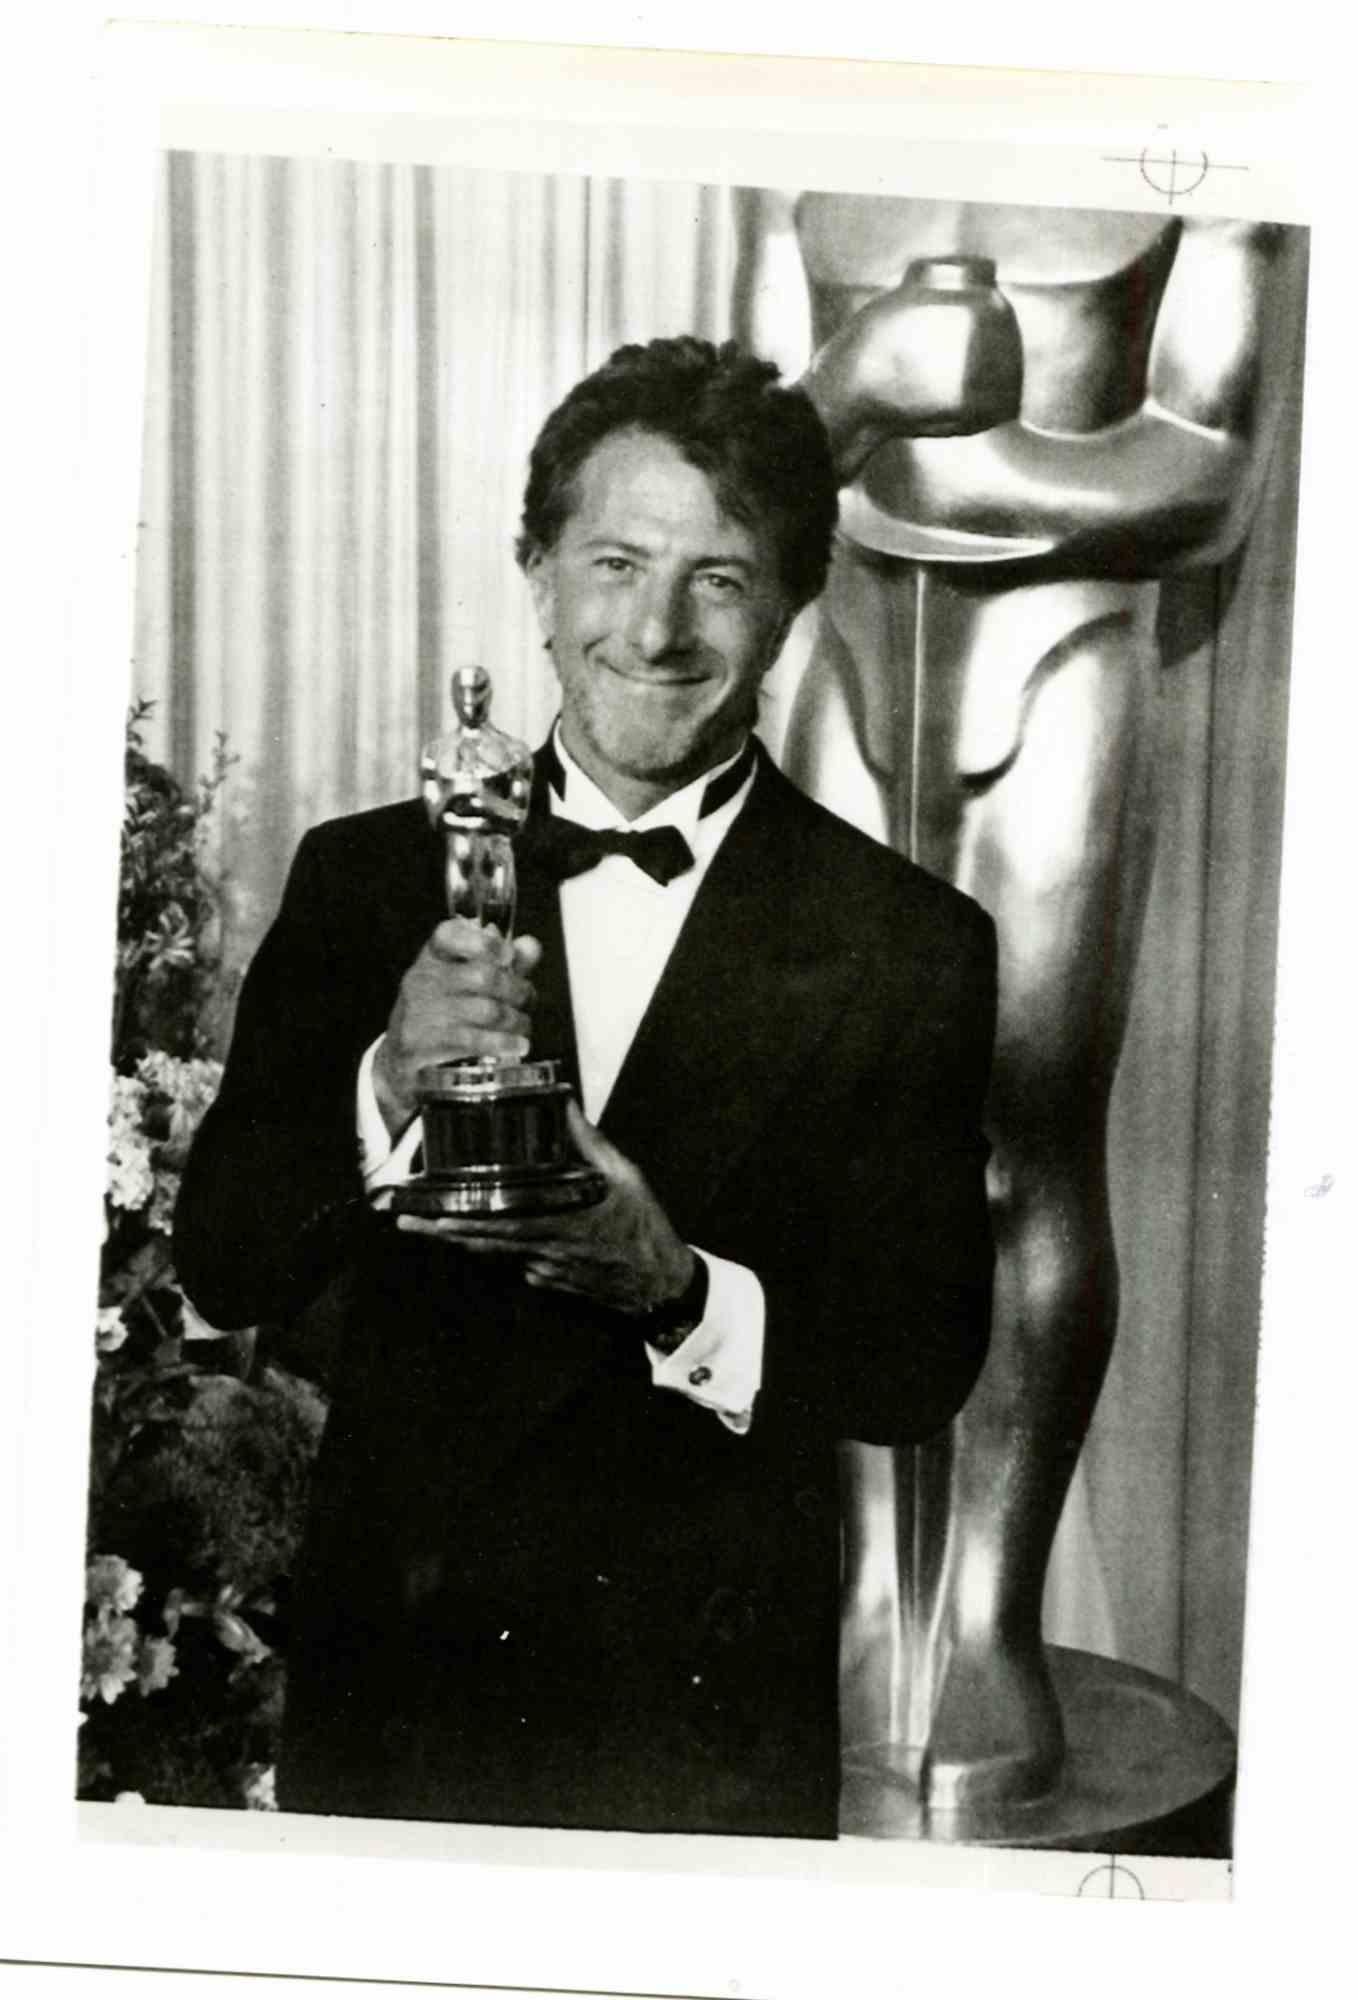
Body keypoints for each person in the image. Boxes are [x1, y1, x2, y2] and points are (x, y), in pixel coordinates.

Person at [174, 335, 998, 1839]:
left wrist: (674, 1288)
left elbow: (915, 1361)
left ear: (792, 608)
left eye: (721, 578)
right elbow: (224, 1258)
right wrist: (385, 1084)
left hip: (699, 1719)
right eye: (613, 563)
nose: (658, 630)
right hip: (397, 1694)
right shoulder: (363, 880)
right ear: (537, 575)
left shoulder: (907, 945)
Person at [733, 192, 1306, 1811]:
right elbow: (749, 450)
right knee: (834, 1133)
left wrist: (947, 465)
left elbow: (1204, 474)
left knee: (1020, 1138)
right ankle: (862, 1595)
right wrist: (854, 380)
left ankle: (984, 1612)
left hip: (1061, 664)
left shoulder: (1201, 148)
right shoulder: (805, 150)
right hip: (848, 659)